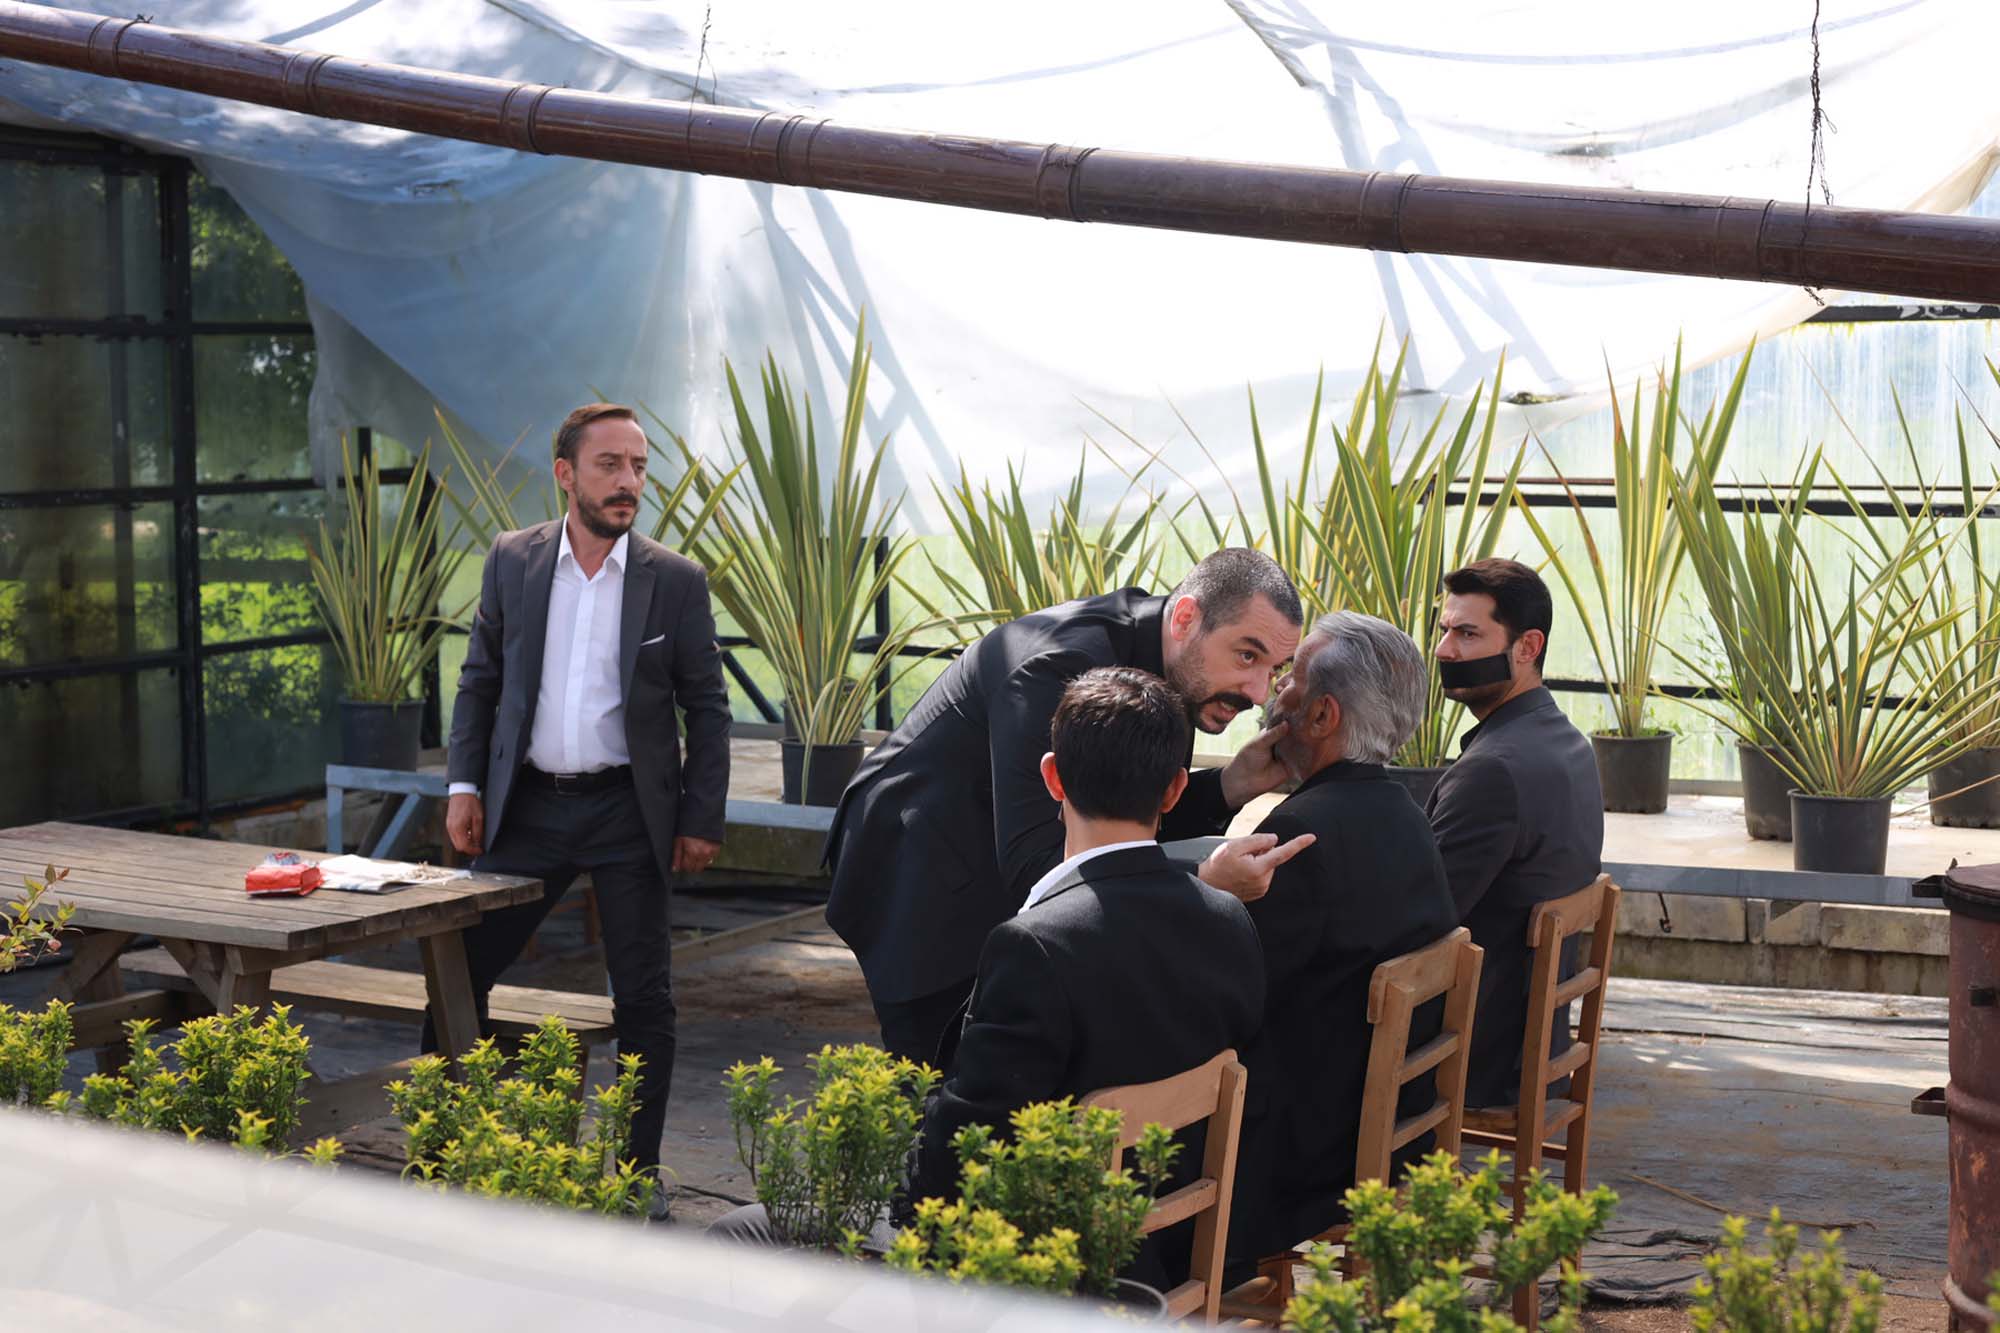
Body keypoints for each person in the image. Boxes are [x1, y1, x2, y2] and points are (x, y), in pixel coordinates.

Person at [825, 548, 1313, 1065]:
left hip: (1007, 871)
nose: (1258, 693)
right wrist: (1202, 885)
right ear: (1186, 619)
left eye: (1274, 669)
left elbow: (1119, 815)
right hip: (921, 874)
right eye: (1246, 656)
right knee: (948, 1080)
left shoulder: (1178, 670)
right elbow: (1041, 866)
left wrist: (1231, 786)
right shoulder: (1054, 669)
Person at [439, 401, 732, 1205]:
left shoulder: (675, 580)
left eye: (638, 466)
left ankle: (638, 1177)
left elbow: (708, 707)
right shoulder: (513, 559)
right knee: (457, 969)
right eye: (610, 465)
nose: (628, 481)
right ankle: (447, 1148)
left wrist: (701, 816)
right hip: (527, 808)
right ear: (566, 474)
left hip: (627, 814)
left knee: (644, 997)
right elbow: (480, 681)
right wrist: (464, 786)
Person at [908, 666, 1266, 1212]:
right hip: (1175, 1225)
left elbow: (960, 1153)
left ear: (1053, 777)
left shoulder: (1033, 945)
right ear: (1175, 790)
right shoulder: (1229, 917)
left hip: (1053, 1243)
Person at [1224, 612, 1460, 1264]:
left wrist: (1206, 896)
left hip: (1312, 1154)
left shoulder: (1301, 833)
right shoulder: (1405, 811)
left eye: (1292, 681)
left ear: (1323, 715)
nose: (1277, 692)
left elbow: (1229, 995)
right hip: (1399, 1126)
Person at [1427, 557, 1604, 1108]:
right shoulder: (1568, 743)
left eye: (1467, 634)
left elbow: (1422, 919)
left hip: (1478, 1053)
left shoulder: (1494, 769)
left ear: (1528, 647)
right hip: (1535, 1040)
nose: (1444, 651)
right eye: (1444, 631)